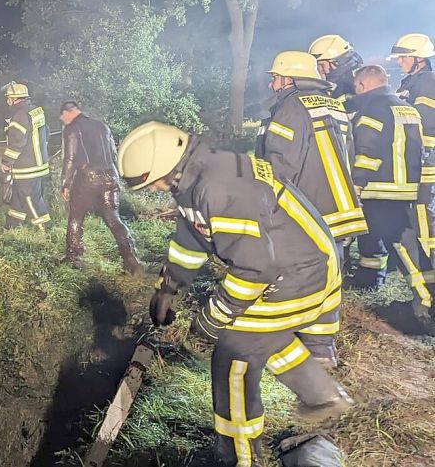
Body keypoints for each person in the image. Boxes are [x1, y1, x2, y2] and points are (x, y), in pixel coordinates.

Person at [118, 122, 353, 467]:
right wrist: (168, 286)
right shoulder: (197, 177)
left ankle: (237, 456)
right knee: (262, 337)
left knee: (234, 353)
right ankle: (325, 397)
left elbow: (255, 269)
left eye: (151, 181)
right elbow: (193, 236)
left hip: (296, 275)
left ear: (167, 167)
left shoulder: (217, 188)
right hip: (299, 263)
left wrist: (212, 319)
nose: (152, 189)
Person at [256, 51, 366, 366]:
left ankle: (291, 339)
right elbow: (351, 154)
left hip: (308, 209)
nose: (272, 82)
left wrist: (265, 202)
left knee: (299, 273)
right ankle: (322, 348)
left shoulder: (290, 108)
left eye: (275, 76)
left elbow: (279, 165)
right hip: (341, 207)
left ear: (289, 79)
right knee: (331, 275)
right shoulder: (336, 105)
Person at [345, 65, 432, 318]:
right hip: (407, 189)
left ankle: (426, 304)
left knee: (400, 247)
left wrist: (355, 188)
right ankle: (422, 295)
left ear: (361, 86)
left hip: (380, 190)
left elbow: (366, 155)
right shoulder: (407, 107)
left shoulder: (372, 108)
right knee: (405, 244)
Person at [59, 101, 144, 275]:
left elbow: (70, 158)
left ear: (67, 113)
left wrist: (66, 183)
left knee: (76, 217)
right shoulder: (101, 126)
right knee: (113, 218)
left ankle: (73, 258)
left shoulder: (72, 128)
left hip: (88, 178)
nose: (62, 120)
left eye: (62, 117)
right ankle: (132, 261)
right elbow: (113, 153)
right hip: (110, 175)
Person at [390, 33, 435, 319]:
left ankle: (429, 303)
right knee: (421, 232)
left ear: (419, 59)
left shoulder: (426, 84)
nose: (399, 62)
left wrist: (420, 161)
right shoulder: (413, 83)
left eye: (404, 57)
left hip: (426, 172)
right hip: (419, 170)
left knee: (426, 233)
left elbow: (427, 130)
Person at [0, 81, 51, 229]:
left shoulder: (19, 117)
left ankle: (45, 231)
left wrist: (6, 162)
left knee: (30, 199)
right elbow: (46, 133)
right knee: (18, 199)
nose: (7, 101)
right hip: (38, 163)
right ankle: (12, 228)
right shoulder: (36, 111)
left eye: (8, 98)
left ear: (14, 99)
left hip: (26, 167)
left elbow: (16, 143)